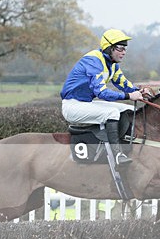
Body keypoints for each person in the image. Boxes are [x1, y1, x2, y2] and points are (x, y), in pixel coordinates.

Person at [60, 28, 149, 166]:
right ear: (109, 48)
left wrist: (139, 91)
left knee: (128, 109)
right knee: (112, 112)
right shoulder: (94, 61)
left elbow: (123, 84)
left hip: (86, 104)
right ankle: (117, 155)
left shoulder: (112, 65)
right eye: (120, 48)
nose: (124, 52)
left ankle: (128, 145)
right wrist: (129, 95)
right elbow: (102, 93)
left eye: (125, 48)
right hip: (72, 106)